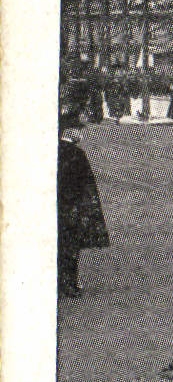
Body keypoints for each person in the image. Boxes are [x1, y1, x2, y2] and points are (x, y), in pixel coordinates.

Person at [58, 89, 109, 295]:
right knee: (70, 247)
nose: (81, 133)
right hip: (71, 206)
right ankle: (69, 284)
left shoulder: (52, 150)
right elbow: (85, 184)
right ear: (70, 132)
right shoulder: (76, 154)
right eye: (78, 129)